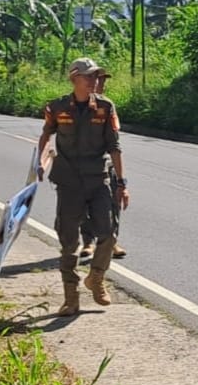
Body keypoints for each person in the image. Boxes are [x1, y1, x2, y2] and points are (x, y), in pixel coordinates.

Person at [37, 57, 130, 316]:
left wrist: (121, 183)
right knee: (68, 241)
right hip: (68, 182)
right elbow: (46, 135)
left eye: (96, 76)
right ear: (74, 78)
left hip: (98, 178)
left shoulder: (105, 106)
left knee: (108, 232)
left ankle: (96, 277)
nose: (93, 81)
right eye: (88, 76)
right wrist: (40, 162)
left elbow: (115, 147)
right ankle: (71, 296)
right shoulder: (56, 107)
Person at [80, 70, 126, 259]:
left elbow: (114, 141)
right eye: (96, 80)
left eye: (101, 80)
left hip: (107, 164)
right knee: (86, 204)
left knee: (113, 203)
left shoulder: (107, 106)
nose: (100, 84)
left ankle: (111, 240)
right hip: (85, 166)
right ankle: (88, 242)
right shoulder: (77, 107)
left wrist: (122, 177)